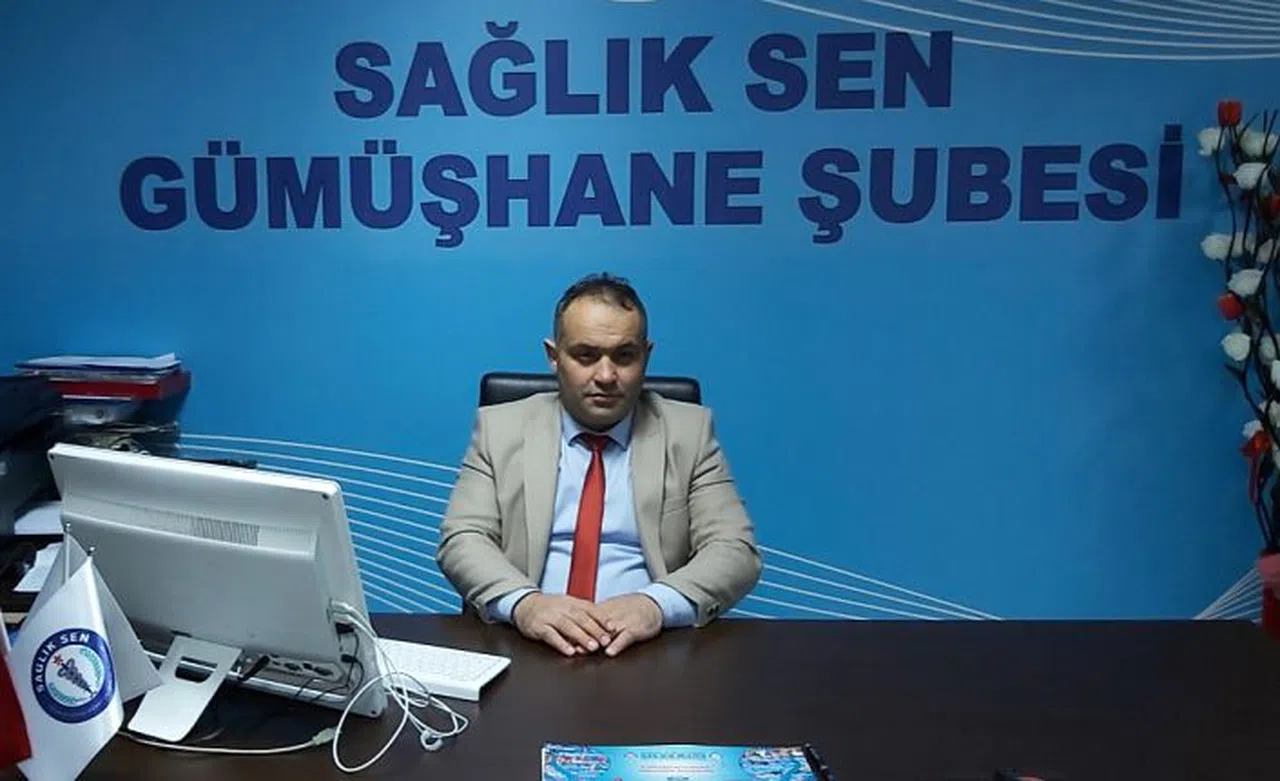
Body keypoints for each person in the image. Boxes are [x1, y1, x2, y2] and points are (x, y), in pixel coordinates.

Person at [436, 273, 762, 657]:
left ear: (646, 356)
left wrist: (655, 604)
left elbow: (735, 550)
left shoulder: (689, 432)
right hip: (529, 644)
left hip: (647, 648)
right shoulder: (500, 429)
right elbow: (463, 539)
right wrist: (526, 604)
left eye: (624, 356)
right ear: (554, 356)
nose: (606, 376)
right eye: (586, 356)